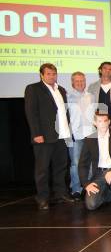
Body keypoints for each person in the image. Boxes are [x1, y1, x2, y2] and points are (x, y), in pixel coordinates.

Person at [24, 63, 74, 210]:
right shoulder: (33, 89)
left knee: (60, 167)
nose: (52, 76)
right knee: (42, 169)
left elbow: (64, 112)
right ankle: (42, 198)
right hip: (44, 137)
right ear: (42, 75)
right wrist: (36, 134)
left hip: (62, 135)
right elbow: (31, 113)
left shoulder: (62, 90)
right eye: (49, 74)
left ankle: (60, 194)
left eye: (54, 74)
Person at [78, 113, 111, 210]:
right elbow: (82, 164)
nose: (103, 124)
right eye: (99, 121)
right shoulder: (89, 139)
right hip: (98, 174)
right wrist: (86, 184)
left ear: (109, 122)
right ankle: (108, 193)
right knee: (91, 205)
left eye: (105, 121)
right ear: (95, 123)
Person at [67, 71, 96, 201]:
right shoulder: (67, 97)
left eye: (82, 81)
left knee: (89, 163)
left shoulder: (91, 96)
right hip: (75, 136)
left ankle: (87, 187)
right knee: (75, 163)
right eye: (77, 81)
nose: (80, 83)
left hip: (90, 134)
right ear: (72, 83)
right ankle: (76, 189)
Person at [88, 62, 111, 127]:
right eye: (105, 68)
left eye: (110, 69)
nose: (107, 71)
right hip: (99, 124)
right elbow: (89, 106)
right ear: (100, 70)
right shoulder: (92, 86)